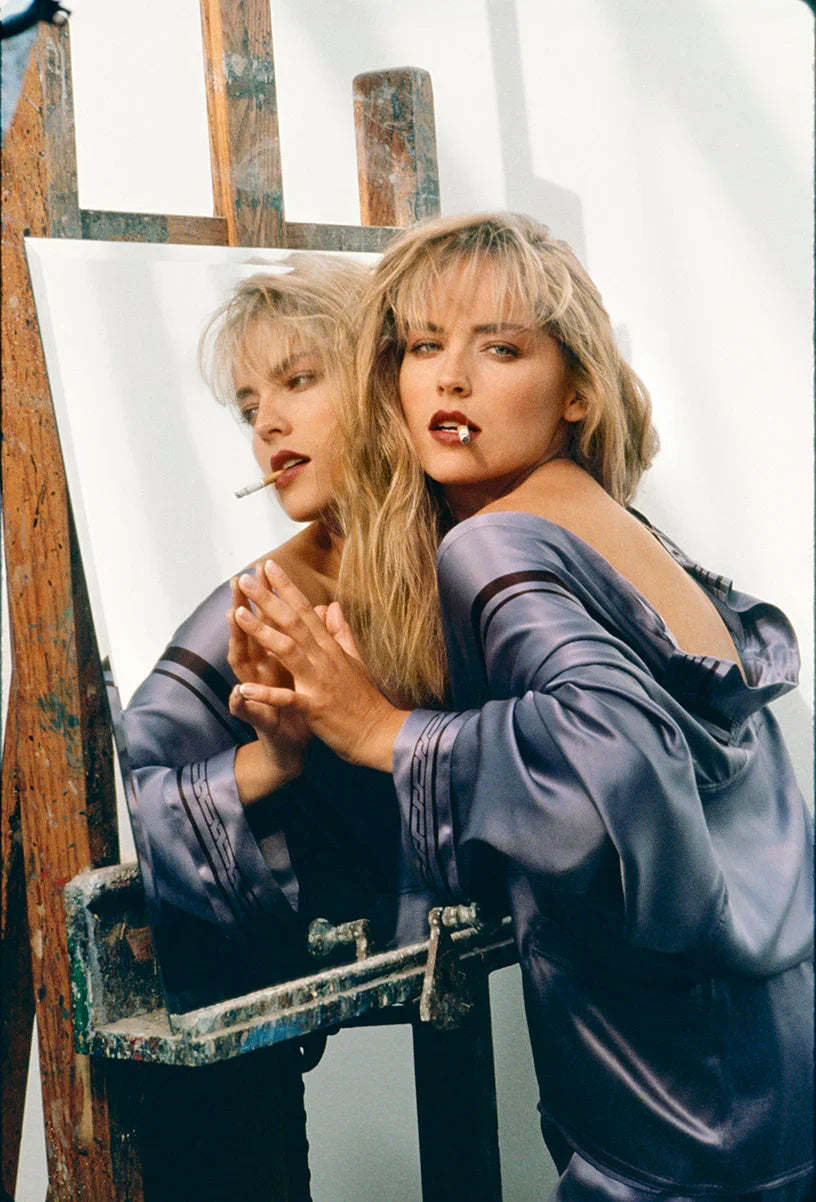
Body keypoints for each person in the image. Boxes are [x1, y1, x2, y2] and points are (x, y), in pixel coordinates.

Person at [231, 214, 814, 1198]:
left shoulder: (495, 544)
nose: (451, 380)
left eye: (500, 347)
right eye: (423, 347)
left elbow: (614, 771)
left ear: (577, 388)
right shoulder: (605, 516)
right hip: (777, 1053)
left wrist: (383, 731)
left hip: (676, 1103)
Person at [124, 253, 439, 1011]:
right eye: (247, 406)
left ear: (377, 375)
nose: (267, 422)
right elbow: (142, 793)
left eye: (299, 380)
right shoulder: (267, 604)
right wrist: (273, 760)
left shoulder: (478, 536)